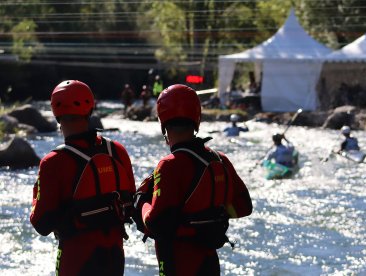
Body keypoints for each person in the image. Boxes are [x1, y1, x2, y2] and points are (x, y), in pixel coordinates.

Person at [134, 84, 252, 276]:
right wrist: (211, 216)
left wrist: (142, 203)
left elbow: (156, 223)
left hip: (178, 263)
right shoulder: (219, 160)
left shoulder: (169, 164)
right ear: (197, 119)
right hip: (209, 263)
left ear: (162, 121)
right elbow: (244, 207)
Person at [30, 80, 136, 276]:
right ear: (90, 108)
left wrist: (36, 193)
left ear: (56, 114)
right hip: (114, 257)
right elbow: (130, 199)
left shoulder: (53, 162)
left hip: (76, 259)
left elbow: (41, 223)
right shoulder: (118, 151)